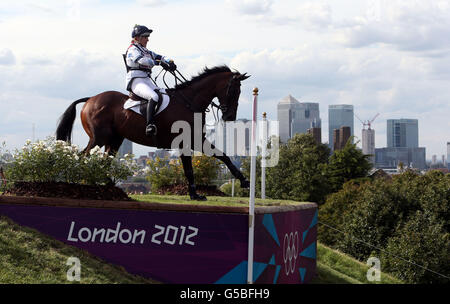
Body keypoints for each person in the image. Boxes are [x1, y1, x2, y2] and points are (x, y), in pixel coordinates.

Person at [124, 25, 176, 136]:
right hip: (136, 80)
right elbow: (142, 61)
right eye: (145, 36)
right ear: (137, 38)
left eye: (148, 36)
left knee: (165, 95)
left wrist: (169, 61)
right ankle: (149, 125)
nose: (148, 39)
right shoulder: (132, 49)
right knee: (154, 97)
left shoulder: (145, 50)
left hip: (146, 79)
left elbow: (160, 56)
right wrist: (158, 62)